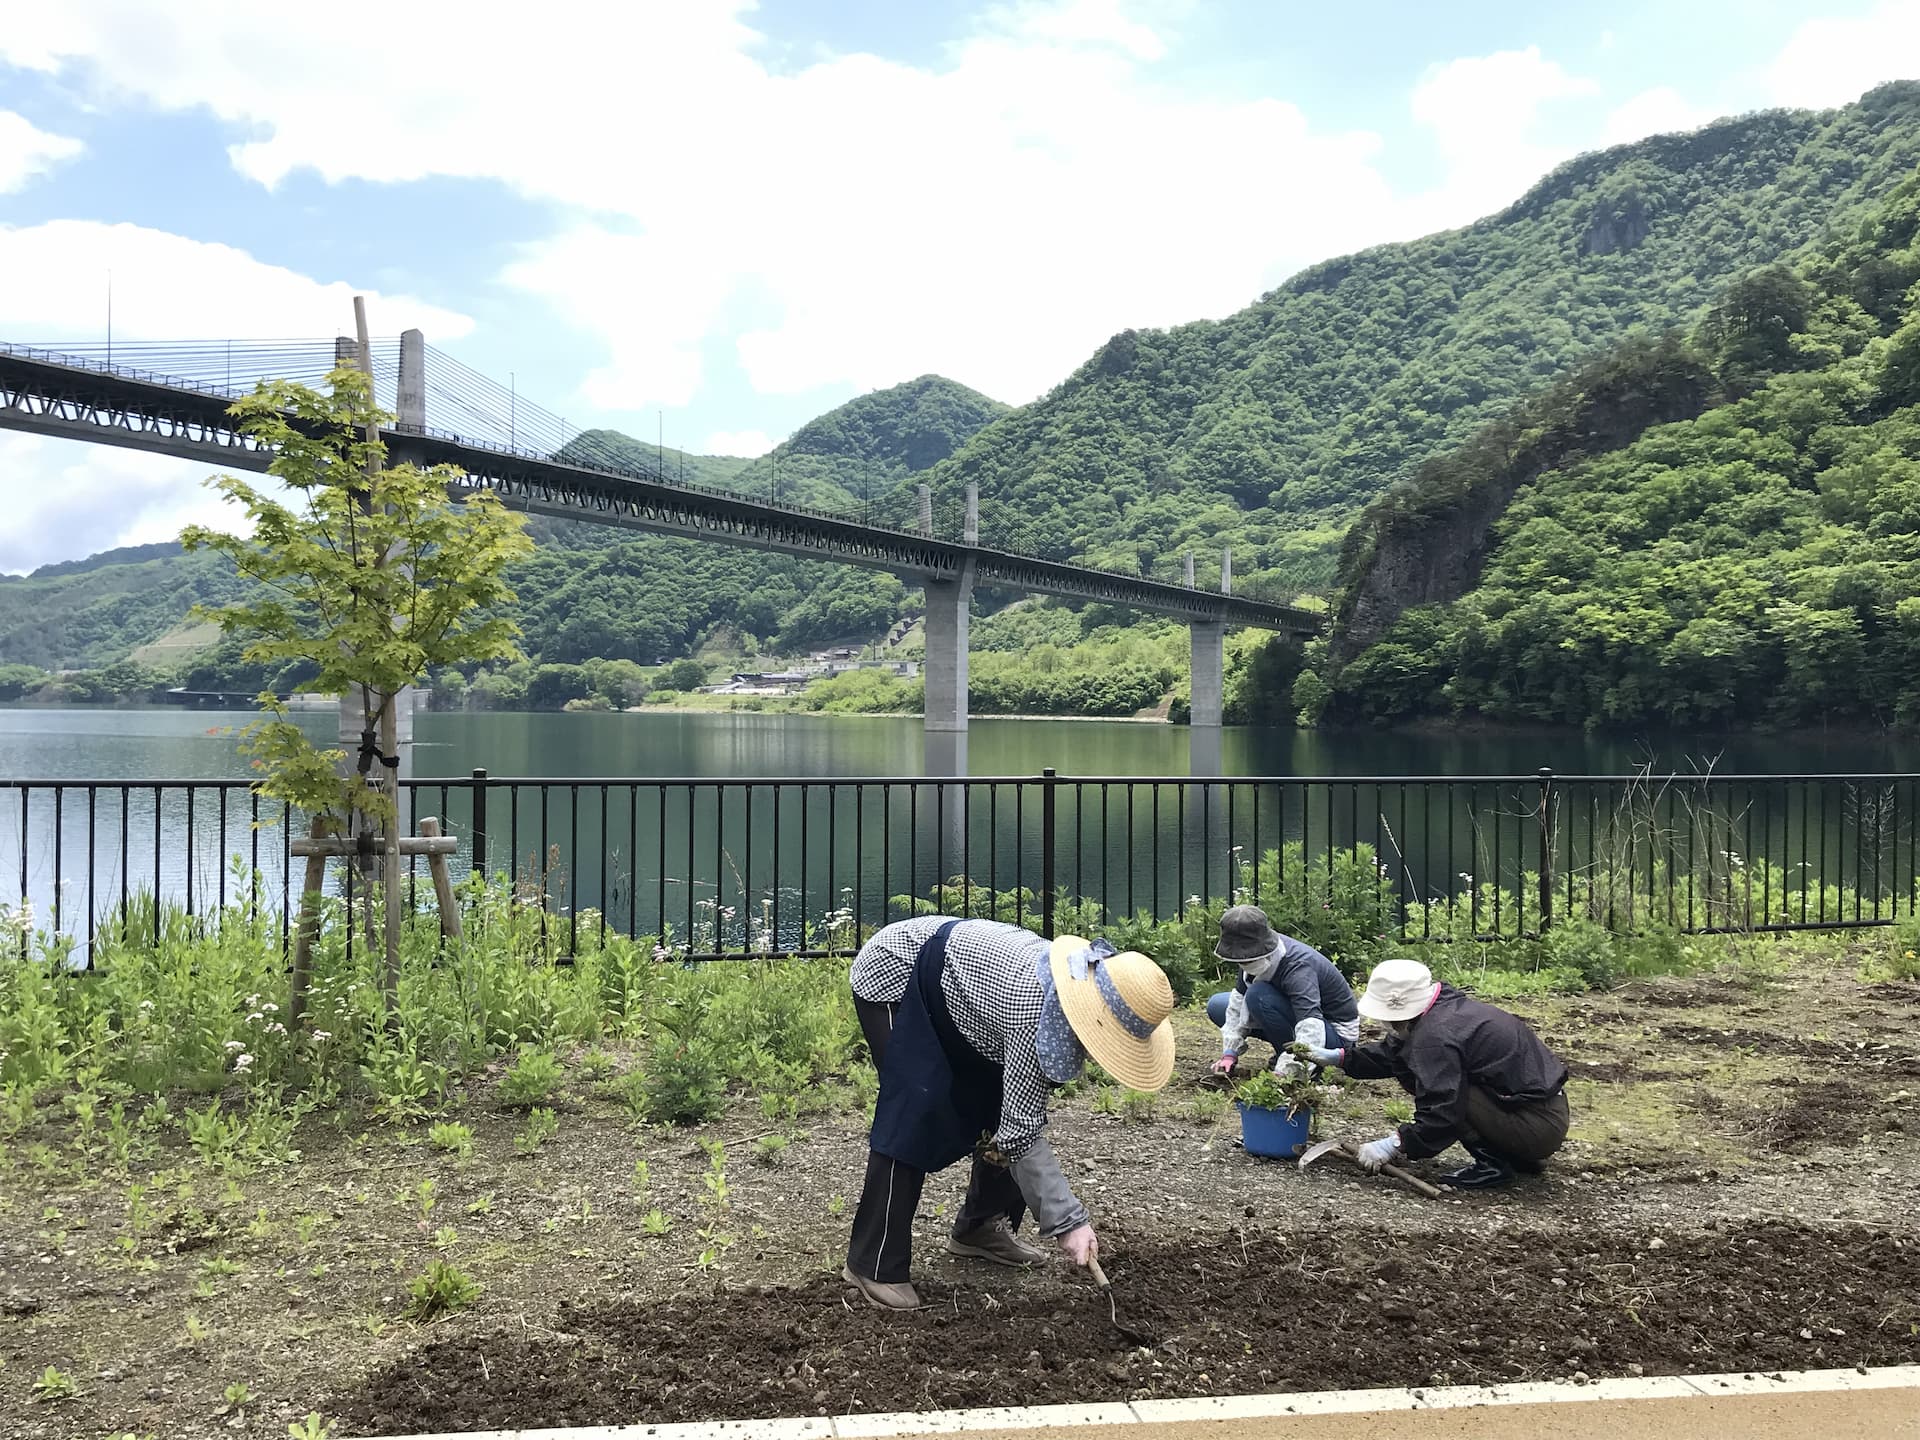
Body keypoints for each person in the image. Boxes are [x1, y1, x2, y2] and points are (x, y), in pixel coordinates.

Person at [843, 915, 1176, 1309]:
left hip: (966, 996)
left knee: (1008, 1105)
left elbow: (1019, 1117)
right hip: (897, 974)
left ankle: (978, 1228)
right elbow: (1020, 1135)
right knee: (915, 1108)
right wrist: (1069, 1221)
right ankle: (873, 1264)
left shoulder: (1060, 1001)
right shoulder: (1032, 1012)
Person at [1301, 958, 1570, 1189]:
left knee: (1453, 1092)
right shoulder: (1441, 1012)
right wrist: (1340, 1057)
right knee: (1449, 1082)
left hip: (1537, 1125)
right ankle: (1514, 1155)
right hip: (1539, 1113)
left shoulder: (1437, 1036)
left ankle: (1495, 1165)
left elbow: (1442, 1106)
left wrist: (1396, 1143)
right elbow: (1394, 1052)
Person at [1205, 905, 1360, 1081]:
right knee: (1218, 1005)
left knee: (1258, 995)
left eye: (1249, 958)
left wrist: (1290, 1069)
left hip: (1333, 1038)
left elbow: (1310, 1022)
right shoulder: (1250, 957)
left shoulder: (1298, 966)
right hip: (1289, 1012)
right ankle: (1284, 1049)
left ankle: (1298, 1060)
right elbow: (1238, 1002)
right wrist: (1229, 1053)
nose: (1244, 962)